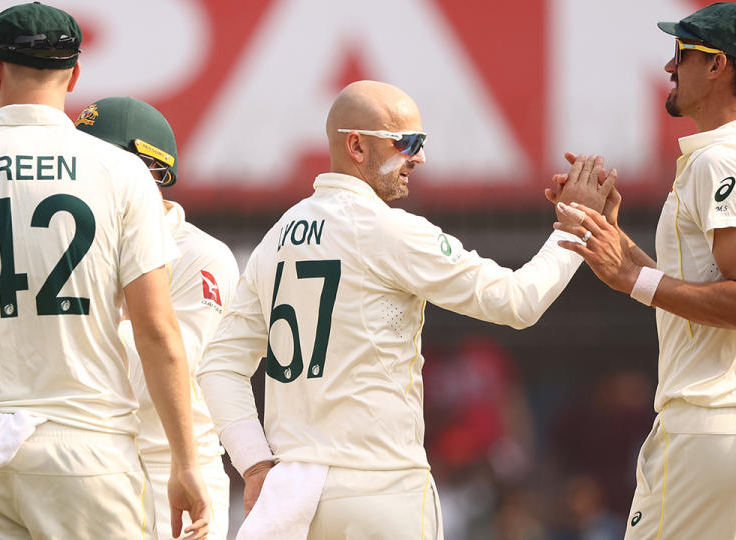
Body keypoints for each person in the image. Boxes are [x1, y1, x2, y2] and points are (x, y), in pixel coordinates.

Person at [197, 80, 615, 539]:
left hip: (294, 501)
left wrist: (254, 465)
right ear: (356, 145)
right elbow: (518, 302)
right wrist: (578, 223)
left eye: (422, 142)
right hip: (382, 490)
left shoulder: (276, 238)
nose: (420, 158)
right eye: (408, 143)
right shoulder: (390, 229)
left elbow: (219, 365)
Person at [0, 4, 210, 539]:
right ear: (75, 73)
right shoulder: (122, 172)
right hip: (88, 450)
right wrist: (186, 462)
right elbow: (156, 329)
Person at [554, 3, 736, 538]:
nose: (670, 66)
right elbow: (708, 287)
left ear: (718, 64)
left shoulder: (719, 160)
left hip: (714, 428)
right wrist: (617, 246)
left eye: (682, 52)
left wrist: (634, 279)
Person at [76, 96, 239, 539]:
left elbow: (165, 365)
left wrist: (69, 332)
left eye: (97, 161)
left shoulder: (201, 256)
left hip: (175, 469)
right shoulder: (76, 244)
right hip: (89, 467)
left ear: (152, 169)